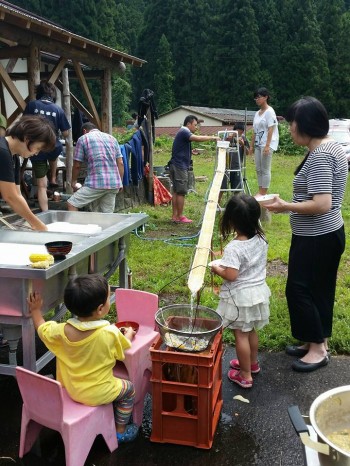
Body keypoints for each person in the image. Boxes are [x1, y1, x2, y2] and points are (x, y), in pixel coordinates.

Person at [264, 97, 348, 372]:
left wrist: (284, 206)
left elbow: (322, 203)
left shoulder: (321, 155)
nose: (289, 129)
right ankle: (315, 339)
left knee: (299, 290)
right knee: (319, 289)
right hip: (326, 234)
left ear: (306, 124)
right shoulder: (331, 146)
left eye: (292, 123)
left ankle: (317, 349)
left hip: (317, 237)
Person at [27, 274, 139, 443]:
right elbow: (123, 346)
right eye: (109, 297)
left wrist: (35, 310)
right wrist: (129, 334)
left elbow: (42, 329)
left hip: (70, 389)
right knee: (129, 390)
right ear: (100, 309)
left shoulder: (61, 331)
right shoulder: (110, 333)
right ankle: (120, 431)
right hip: (97, 393)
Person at [211, 194, 270, 388]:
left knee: (240, 335)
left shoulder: (234, 247)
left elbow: (231, 275)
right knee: (250, 330)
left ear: (231, 220)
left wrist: (215, 267)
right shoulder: (261, 238)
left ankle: (245, 375)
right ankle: (252, 364)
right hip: (257, 293)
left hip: (240, 297)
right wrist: (223, 257)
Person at [0, 115, 56, 231]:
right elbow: (10, 197)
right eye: (38, 148)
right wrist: (38, 225)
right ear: (27, 138)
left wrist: (34, 221)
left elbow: (17, 194)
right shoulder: (2, 152)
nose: (36, 153)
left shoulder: (13, 156)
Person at [23, 80, 71, 211]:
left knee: (42, 185)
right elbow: (66, 133)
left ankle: (45, 211)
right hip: (53, 146)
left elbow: (23, 124)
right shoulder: (58, 109)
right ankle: (54, 177)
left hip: (35, 148)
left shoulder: (32, 105)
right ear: (52, 94)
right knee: (54, 155)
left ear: (38, 92)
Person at [169, 115, 219, 223]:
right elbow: (197, 138)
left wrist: (190, 152)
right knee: (181, 192)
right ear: (188, 124)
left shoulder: (182, 132)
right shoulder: (185, 131)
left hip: (176, 164)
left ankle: (175, 216)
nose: (196, 127)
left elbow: (179, 148)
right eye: (195, 125)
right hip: (179, 166)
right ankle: (180, 216)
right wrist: (212, 138)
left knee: (176, 191)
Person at [67, 122, 124, 213]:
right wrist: (120, 182)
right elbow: (120, 163)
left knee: (72, 203)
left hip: (96, 183)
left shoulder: (83, 139)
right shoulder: (112, 139)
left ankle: (76, 227)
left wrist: (73, 182)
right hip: (113, 183)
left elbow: (77, 165)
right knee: (107, 215)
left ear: (84, 131)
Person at [249, 87, 279, 196]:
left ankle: (263, 192)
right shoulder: (257, 113)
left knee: (265, 169)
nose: (257, 100)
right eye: (255, 98)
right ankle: (260, 189)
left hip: (267, 144)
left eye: (259, 97)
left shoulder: (270, 112)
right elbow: (254, 131)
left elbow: (271, 128)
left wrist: (267, 145)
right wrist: (251, 146)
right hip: (258, 144)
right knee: (258, 168)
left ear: (266, 97)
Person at [218, 122, 250, 205]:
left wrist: (243, 144)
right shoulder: (228, 136)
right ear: (234, 130)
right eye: (238, 131)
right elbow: (221, 148)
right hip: (225, 165)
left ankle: (237, 205)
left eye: (241, 132)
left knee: (237, 188)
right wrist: (228, 139)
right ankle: (216, 204)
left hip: (237, 166)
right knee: (222, 186)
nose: (239, 133)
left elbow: (248, 152)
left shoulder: (244, 138)